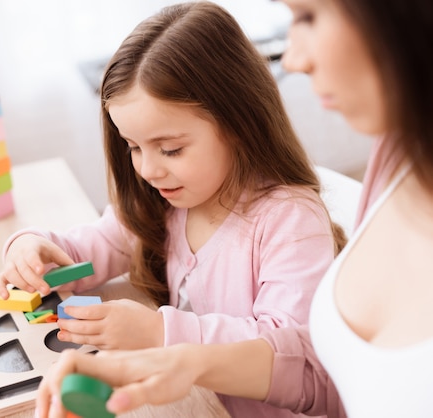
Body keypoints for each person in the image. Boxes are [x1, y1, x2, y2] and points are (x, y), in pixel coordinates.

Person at [34, 0, 433, 417]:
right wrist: (39, 248)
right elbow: (318, 371)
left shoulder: (288, 217)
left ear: (238, 123)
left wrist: (162, 333)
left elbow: (306, 368)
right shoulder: (397, 161)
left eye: (170, 149)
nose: (292, 59)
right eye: (133, 147)